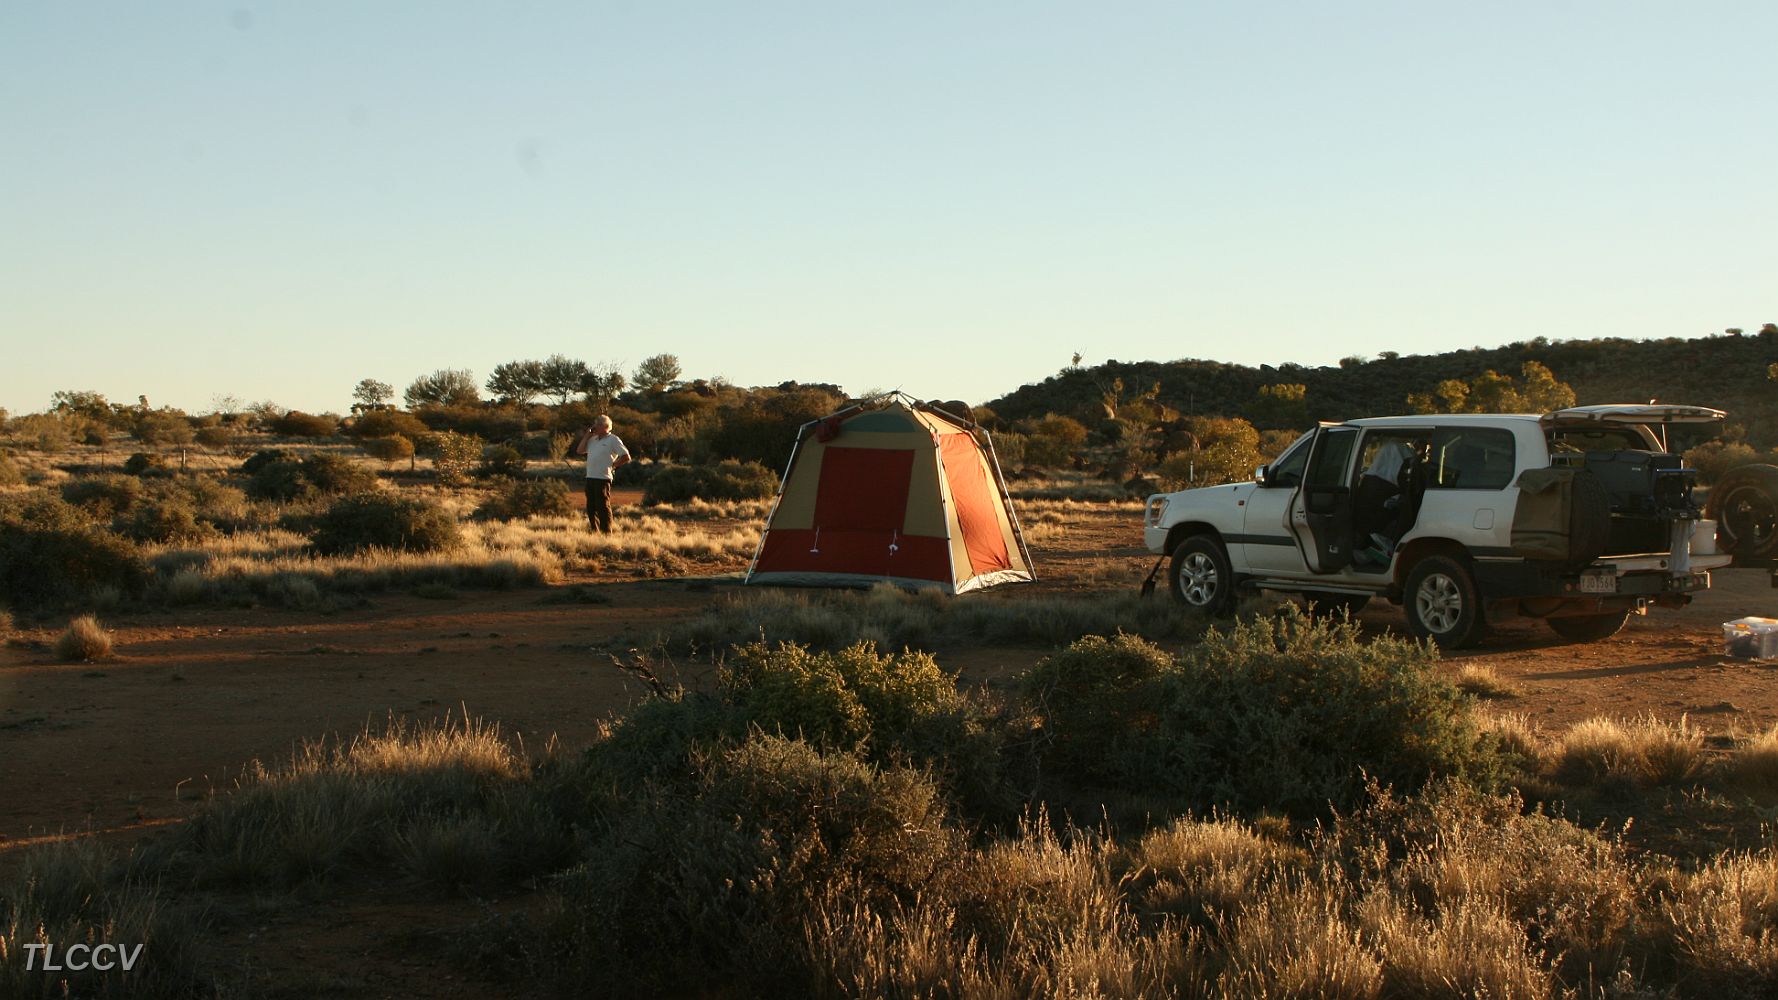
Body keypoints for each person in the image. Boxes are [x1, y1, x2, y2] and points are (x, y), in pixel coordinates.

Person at [573, 415, 630, 533]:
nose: (594, 427)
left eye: (597, 425)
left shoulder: (613, 439)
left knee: (602, 506)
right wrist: (587, 436)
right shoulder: (592, 439)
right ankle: (595, 531)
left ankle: (606, 532)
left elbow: (626, 456)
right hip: (590, 477)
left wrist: (614, 465)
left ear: (605, 426)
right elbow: (579, 450)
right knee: (591, 507)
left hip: (603, 478)